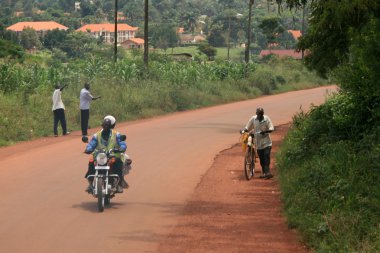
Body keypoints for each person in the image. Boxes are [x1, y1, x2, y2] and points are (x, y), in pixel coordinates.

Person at [84, 118, 127, 193]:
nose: (106, 127)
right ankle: (91, 184)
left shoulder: (116, 134)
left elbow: (122, 143)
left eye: (107, 126)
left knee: (118, 162)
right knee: (91, 162)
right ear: (102, 126)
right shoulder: (97, 135)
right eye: (104, 126)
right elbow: (91, 143)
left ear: (111, 126)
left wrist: (121, 148)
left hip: (112, 155)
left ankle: (119, 184)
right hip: (100, 156)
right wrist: (88, 149)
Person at [241, 107, 274, 179]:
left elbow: (271, 128)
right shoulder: (253, 119)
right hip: (258, 144)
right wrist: (243, 130)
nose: (259, 116)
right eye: (258, 114)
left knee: (266, 156)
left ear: (263, 114)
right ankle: (265, 173)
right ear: (256, 114)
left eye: (261, 114)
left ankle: (267, 172)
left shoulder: (266, 119)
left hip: (267, 142)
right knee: (262, 159)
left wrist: (265, 131)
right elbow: (247, 127)